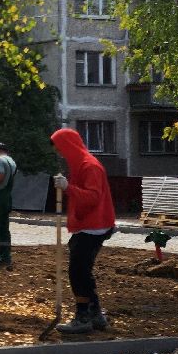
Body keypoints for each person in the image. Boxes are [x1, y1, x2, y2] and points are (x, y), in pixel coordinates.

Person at [50, 126, 118, 334]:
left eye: (61, 149)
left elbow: (93, 198)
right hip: (90, 225)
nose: (61, 154)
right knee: (82, 271)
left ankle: (83, 317)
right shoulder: (80, 165)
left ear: (69, 146)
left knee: (77, 271)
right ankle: (95, 314)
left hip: (94, 226)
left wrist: (67, 187)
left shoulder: (90, 166)